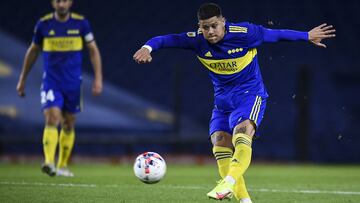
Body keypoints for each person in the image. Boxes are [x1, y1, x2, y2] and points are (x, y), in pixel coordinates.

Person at [133, 3, 335, 202]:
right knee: (220, 142)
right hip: (222, 100)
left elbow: (275, 34)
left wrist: (306, 35)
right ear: (199, 27)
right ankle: (244, 200)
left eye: (214, 25)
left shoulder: (245, 33)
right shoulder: (196, 41)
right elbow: (166, 39)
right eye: (205, 27)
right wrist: (147, 47)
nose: (210, 31)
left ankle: (227, 182)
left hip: (250, 94)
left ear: (223, 22)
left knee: (241, 134)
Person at [16, 0, 103, 177]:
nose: (61, 4)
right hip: (51, 82)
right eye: (57, 1)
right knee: (52, 117)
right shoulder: (44, 25)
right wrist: (22, 78)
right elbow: (33, 51)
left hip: (73, 84)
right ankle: (48, 162)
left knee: (69, 123)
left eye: (64, 0)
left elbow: (93, 50)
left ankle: (62, 165)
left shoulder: (81, 24)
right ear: (52, 3)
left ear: (70, 2)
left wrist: (98, 78)